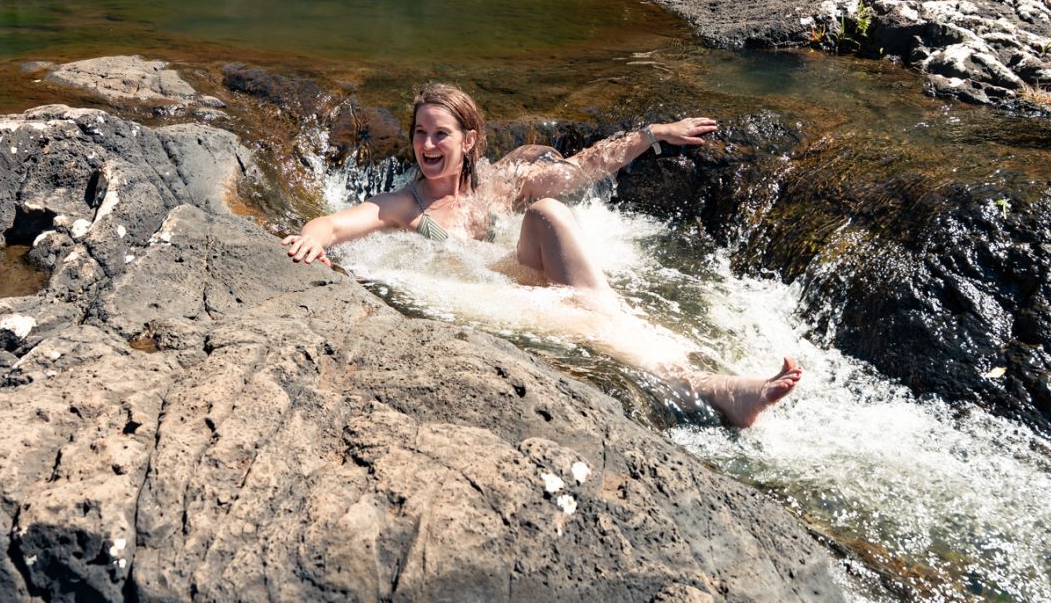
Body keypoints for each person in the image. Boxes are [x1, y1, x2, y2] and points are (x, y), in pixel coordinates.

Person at [282, 82, 801, 426]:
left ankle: (702, 378)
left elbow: (582, 168)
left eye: (441, 133)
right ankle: (714, 388)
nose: (428, 145)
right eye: (420, 132)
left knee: (547, 210)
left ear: (469, 140)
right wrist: (312, 238)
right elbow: (335, 223)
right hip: (490, 299)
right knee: (595, 318)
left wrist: (652, 135)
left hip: (531, 285)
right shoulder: (407, 205)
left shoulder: (499, 183)